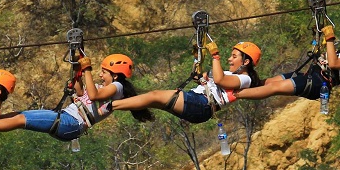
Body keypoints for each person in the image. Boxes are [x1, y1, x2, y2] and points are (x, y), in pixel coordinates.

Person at [0, 54, 152, 140]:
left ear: (115, 75)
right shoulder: (104, 87)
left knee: (21, 119)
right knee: (18, 114)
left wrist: (87, 69)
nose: (100, 75)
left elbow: (94, 94)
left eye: (103, 72)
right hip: (68, 119)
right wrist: (78, 71)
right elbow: (82, 92)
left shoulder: (117, 88)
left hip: (72, 123)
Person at [109, 41, 263, 123]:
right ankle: (115, 103)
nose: (230, 59)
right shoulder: (231, 74)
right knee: (152, 99)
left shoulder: (245, 79)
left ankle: (110, 106)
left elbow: (219, 79)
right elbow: (206, 77)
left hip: (202, 104)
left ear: (246, 61)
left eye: (234, 56)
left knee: (154, 95)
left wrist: (216, 57)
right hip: (198, 102)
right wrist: (198, 59)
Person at [235, 16, 340, 101]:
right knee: (266, 82)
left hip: (317, 84)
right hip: (311, 76)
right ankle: (241, 83)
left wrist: (330, 40)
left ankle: (234, 95)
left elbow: (334, 64)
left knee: (273, 87)